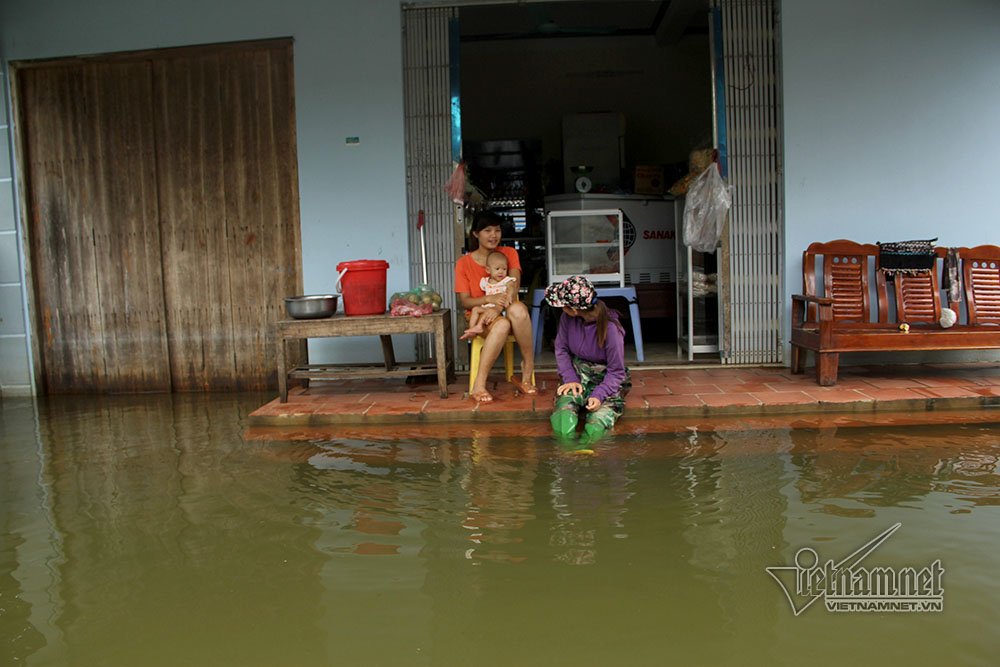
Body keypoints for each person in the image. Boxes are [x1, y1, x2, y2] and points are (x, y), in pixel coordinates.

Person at [455, 213, 536, 403]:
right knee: (501, 326)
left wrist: (498, 307)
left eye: (497, 230)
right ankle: (479, 385)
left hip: (507, 307)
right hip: (480, 315)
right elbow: (465, 302)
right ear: (475, 234)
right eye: (487, 230)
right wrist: (489, 299)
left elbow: (514, 285)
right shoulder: (464, 263)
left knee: (519, 310)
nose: (493, 235)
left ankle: (527, 367)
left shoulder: (509, 253)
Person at [544, 275, 631, 445]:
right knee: (564, 411)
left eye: (564, 306)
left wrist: (599, 395)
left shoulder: (611, 329)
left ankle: (587, 447)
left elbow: (616, 371)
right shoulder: (567, 319)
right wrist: (570, 378)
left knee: (598, 421)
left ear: (575, 309)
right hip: (578, 372)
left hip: (607, 379)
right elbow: (561, 348)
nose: (562, 309)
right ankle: (566, 446)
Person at [459, 251, 516, 341]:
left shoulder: (505, 280)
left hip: (499, 308)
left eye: (504, 269)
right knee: (475, 309)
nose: (501, 272)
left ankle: (478, 326)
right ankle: (472, 329)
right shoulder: (485, 281)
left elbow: (511, 286)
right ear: (488, 270)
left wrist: (509, 295)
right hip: (487, 306)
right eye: (497, 269)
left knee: (487, 314)